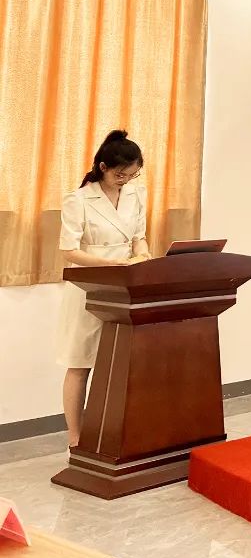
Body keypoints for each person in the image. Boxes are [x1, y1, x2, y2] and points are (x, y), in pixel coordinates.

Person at [56, 130, 150, 447]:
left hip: (125, 284)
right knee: (80, 362)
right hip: (89, 286)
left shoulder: (136, 194)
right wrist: (113, 264)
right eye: (120, 174)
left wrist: (143, 256)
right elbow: (69, 251)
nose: (126, 180)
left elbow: (139, 237)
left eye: (132, 174)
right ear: (103, 167)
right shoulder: (79, 199)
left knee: (122, 361)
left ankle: (117, 432)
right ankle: (75, 437)